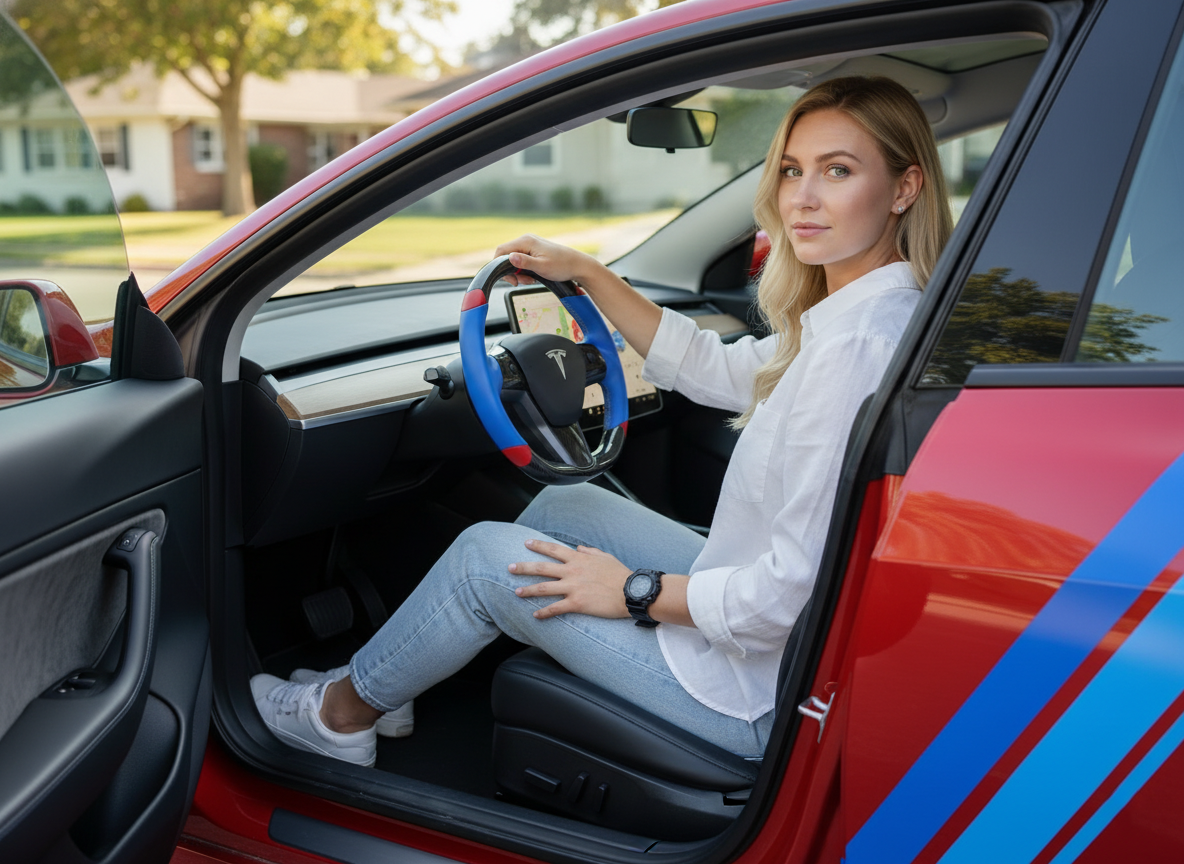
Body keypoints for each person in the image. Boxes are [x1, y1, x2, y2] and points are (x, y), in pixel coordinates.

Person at [251, 75, 953, 767]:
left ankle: (340, 717)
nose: (801, 197)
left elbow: (786, 599)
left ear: (904, 188)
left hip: (755, 690)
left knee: (480, 564)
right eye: (793, 170)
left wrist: (630, 593)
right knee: (568, 503)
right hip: (777, 642)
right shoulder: (867, 318)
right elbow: (722, 370)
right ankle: (386, 684)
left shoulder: (854, 351)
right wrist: (589, 273)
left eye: (838, 171)